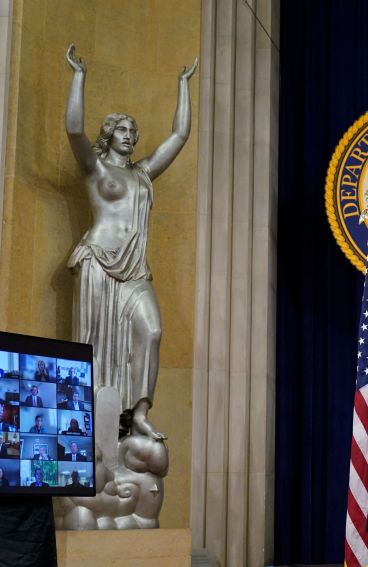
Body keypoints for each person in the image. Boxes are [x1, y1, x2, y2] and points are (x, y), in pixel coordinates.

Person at [64, 44, 197, 441]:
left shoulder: (143, 174)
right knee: (92, 344)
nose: (129, 136)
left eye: (133, 132)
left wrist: (183, 86)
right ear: (109, 135)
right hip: (97, 266)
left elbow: (180, 134)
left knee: (152, 332)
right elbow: (73, 129)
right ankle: (92, 420)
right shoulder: (96, 167)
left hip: (135, 270)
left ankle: (138, 412)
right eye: (122, 130)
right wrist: (79, 76)